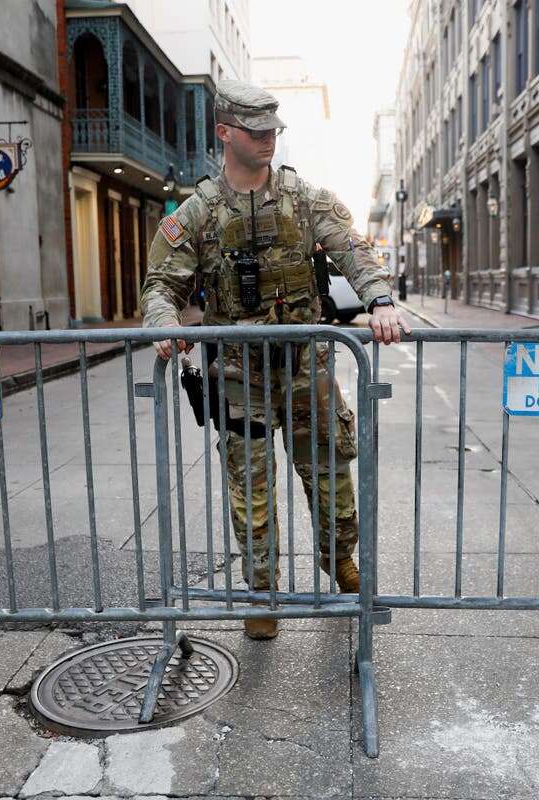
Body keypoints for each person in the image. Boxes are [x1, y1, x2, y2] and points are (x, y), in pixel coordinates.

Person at [140, 79, 411, 640]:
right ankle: (261, 591)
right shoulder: (198, 213)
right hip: (239, 376)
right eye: (255, 131)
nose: (267, 140)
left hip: (307, 371)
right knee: (251, 488)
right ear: (224, 132)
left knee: (333, 476)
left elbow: (354, 250)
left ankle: (340, 562)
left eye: (272, 132)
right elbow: (160, 285)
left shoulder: (306, 199)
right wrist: (164, 324)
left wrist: (380, 300)